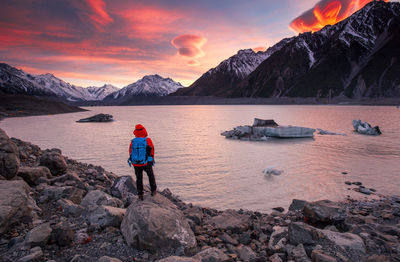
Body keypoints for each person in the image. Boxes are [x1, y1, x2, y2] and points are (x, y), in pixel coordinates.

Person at [128, 124, 157, 200]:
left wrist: (134, 161)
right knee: (150, 175)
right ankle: (153, 191)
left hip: (136, 163)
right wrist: (151, 160)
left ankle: (140, 194)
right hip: (146, 162)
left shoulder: (133, 141)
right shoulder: (147, 140)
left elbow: (130, 152)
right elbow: (152, 152)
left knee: (139, 178)